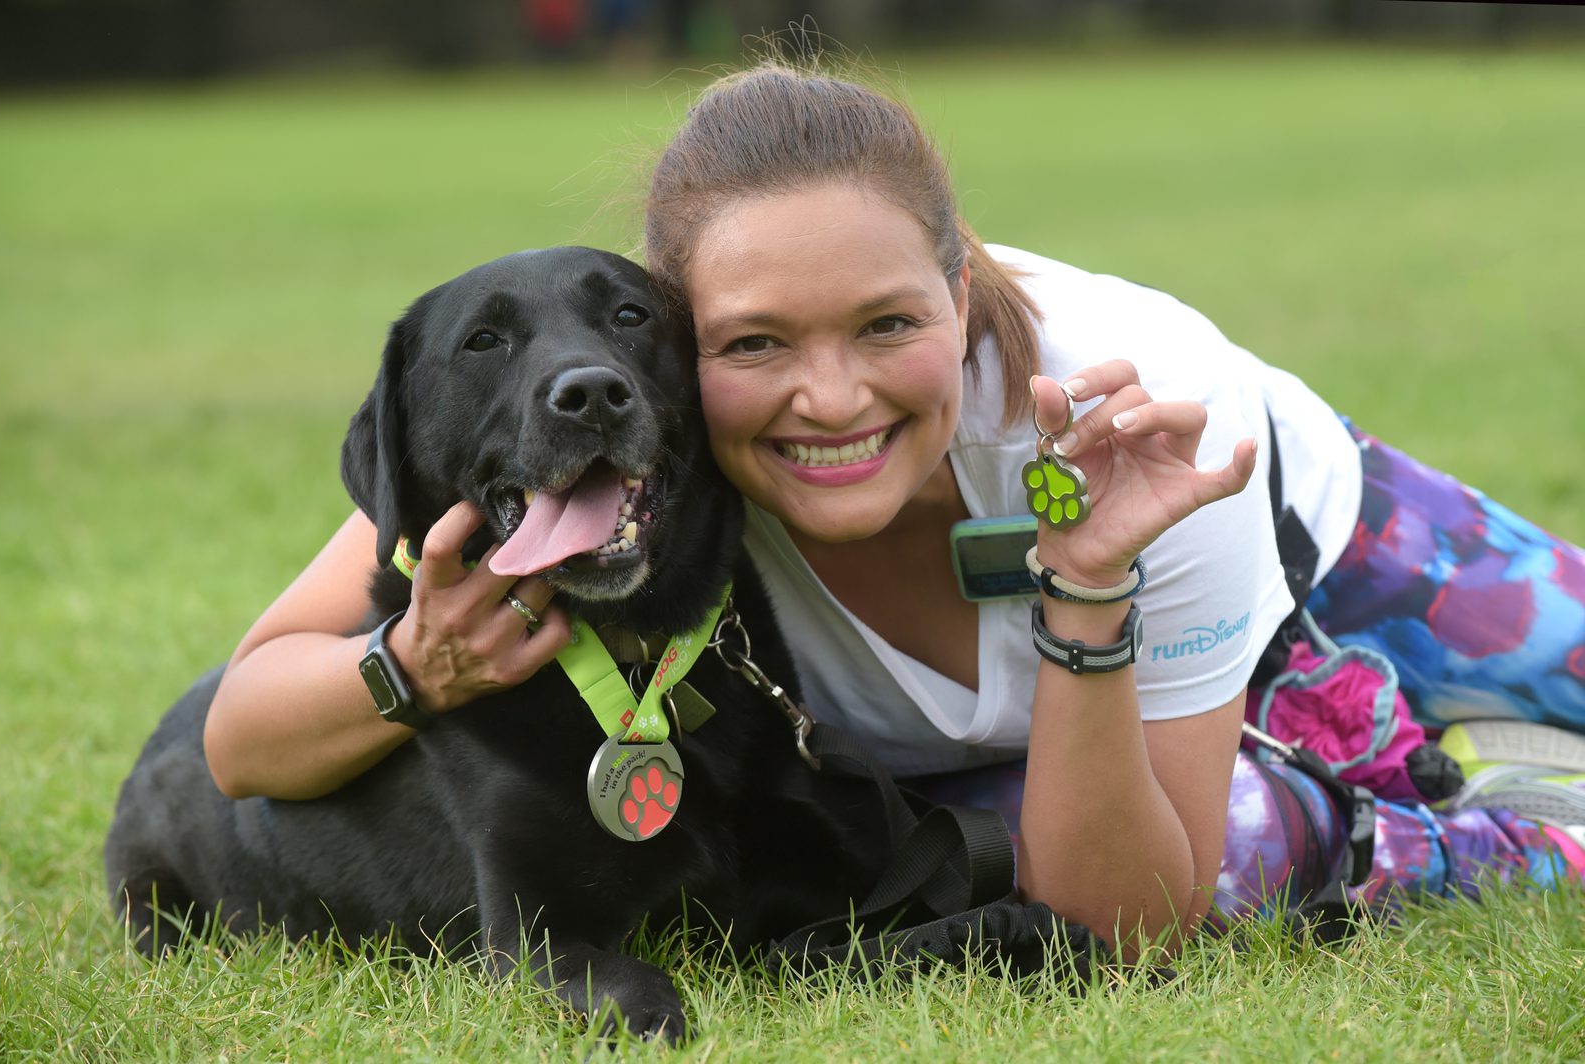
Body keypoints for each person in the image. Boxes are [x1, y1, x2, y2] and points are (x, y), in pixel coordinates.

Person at [203, 60, 1585, 954]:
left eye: (884, 326)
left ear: (960, 283)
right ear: (666, 351)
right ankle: (1455, 805)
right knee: (1209, 855)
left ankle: (1348, 699)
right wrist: (414, 665)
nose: (830, 400)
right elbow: (242, 729)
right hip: (1084, 689)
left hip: (1300, 530)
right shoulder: (611, 422)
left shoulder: (1142, 393)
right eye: (754, 346)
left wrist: (1118, 561)